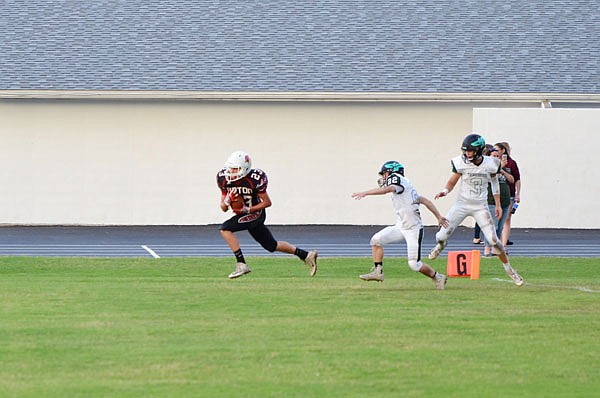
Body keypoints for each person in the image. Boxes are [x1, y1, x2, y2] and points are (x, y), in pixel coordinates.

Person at [428, 134, 524, 286]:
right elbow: (452, 180)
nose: (467, 154)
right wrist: (445, 191)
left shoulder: (492, 163)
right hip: (461, 204)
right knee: (440, 236)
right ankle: (441, 246)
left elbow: (494, 183)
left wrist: (498, 204)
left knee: (493, 240)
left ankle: (509, 269)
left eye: (471, 151)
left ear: (479, 151)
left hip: (480, 206)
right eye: (466, 151)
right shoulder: (460, 162)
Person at [217, 150, 318, 279]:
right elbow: (223, 208)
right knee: (271, 245)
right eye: (230, 169)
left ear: (245, 168)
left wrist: (248, 209)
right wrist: (227, 200)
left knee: (225, 228)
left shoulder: (254, 179)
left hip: (256, 213)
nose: (231, 172)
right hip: (243, 213)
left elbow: (267, 202)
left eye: (235, 169)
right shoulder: (223, 179)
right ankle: (306, 255)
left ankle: (241, 264)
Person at [351, 161, 450, 289]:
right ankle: (378, 271)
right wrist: (438, 216)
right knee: (375, 240)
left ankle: (438, 277)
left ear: (392, 172)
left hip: (413, 229)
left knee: (414, 265)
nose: (383, 177)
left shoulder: (397, 179)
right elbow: (425, 200)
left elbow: (388, 189)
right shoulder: (407, 185)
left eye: (385, 174)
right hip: (401, 226)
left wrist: (366, 193)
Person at [483, 146, 514, 257]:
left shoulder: (503, 167)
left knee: (500, 227)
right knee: (492, 226)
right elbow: (490, 179)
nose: (496, 158)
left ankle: (495, 248)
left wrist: (502, 170)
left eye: (498, 156)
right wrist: (498, 170)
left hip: (505, 201)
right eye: (494, 156)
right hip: (492, 201)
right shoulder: (486, 168)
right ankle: (487, 247)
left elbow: (511, 179)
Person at [495, 142, 521, 248]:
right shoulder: (493, 162)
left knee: (506, 218)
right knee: (496, 219)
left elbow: (517, 179)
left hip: (509, 194)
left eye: (497, 150)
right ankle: (497, 243)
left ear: (503, 150)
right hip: (495, 194)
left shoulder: (511, 163)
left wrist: (517, 194)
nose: (495, 152)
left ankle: (504, 245)